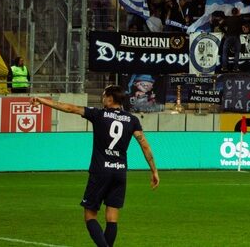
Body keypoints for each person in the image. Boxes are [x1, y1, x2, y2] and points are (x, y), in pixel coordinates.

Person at [31, 87, 159, 247]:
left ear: (111, 99)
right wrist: (154, 170)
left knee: (90, 215)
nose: (102, 98)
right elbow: (145, 146)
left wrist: (42, 101)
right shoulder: (132, 120)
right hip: (120, 172)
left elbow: (69, 108)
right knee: (112, 218)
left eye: (104, 96)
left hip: (100, 171)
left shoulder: (99, 114)